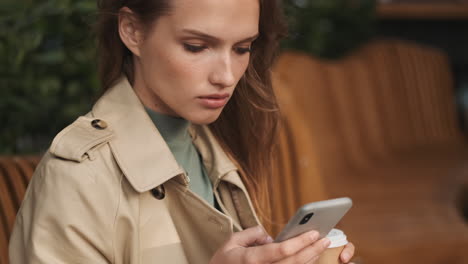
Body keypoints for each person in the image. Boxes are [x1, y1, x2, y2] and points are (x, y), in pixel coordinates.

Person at [9, 0, 355, 263]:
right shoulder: (76, 177)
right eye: (197, 46)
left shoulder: (211, 143)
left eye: (242, 48)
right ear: (133, 31)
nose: (227, 76)